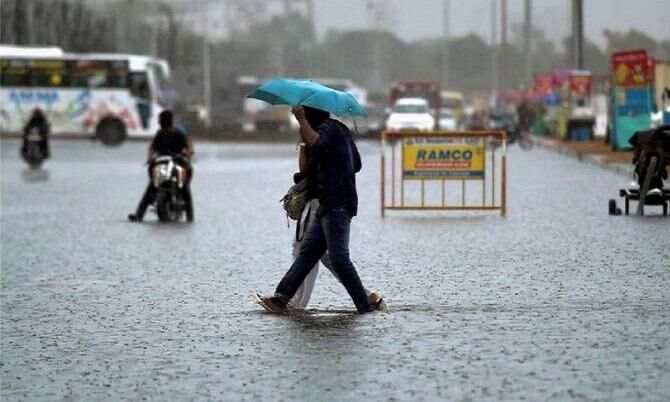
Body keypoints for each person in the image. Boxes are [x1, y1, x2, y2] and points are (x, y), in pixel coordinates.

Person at [258, 105, 380, 314]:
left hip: (338, 203)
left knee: (339, 258)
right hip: (327, 203)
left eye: (302, 113)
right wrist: (311, 143)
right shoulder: (337, 130)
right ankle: (281, 299)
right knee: (307, 254)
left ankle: (365, 304)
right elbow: (352, 164)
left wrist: (302, 121)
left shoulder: (329, 129)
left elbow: (323, 146)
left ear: (310, 114)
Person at [289, 141, 383, 309]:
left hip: (319, 202)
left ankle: (295, 301)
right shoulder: (330, 136)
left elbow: (305, 171)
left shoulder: (319, 135)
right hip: (326, 201)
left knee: (305, 250)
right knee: (325, 255)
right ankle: (365, 295)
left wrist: (304, 144)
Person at [128, 110, 194, 222]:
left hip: (177, 163)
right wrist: (150, 157)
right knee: (152, 186)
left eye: (166, 128)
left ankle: (190, 217)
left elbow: (189, 145)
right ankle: (139, 214)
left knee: (184, 187)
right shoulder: (159, 134)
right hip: (163, 165)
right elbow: (152, 147)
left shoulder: (178, 134)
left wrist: (187, 154)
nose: (165, 131)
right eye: (163, 128)